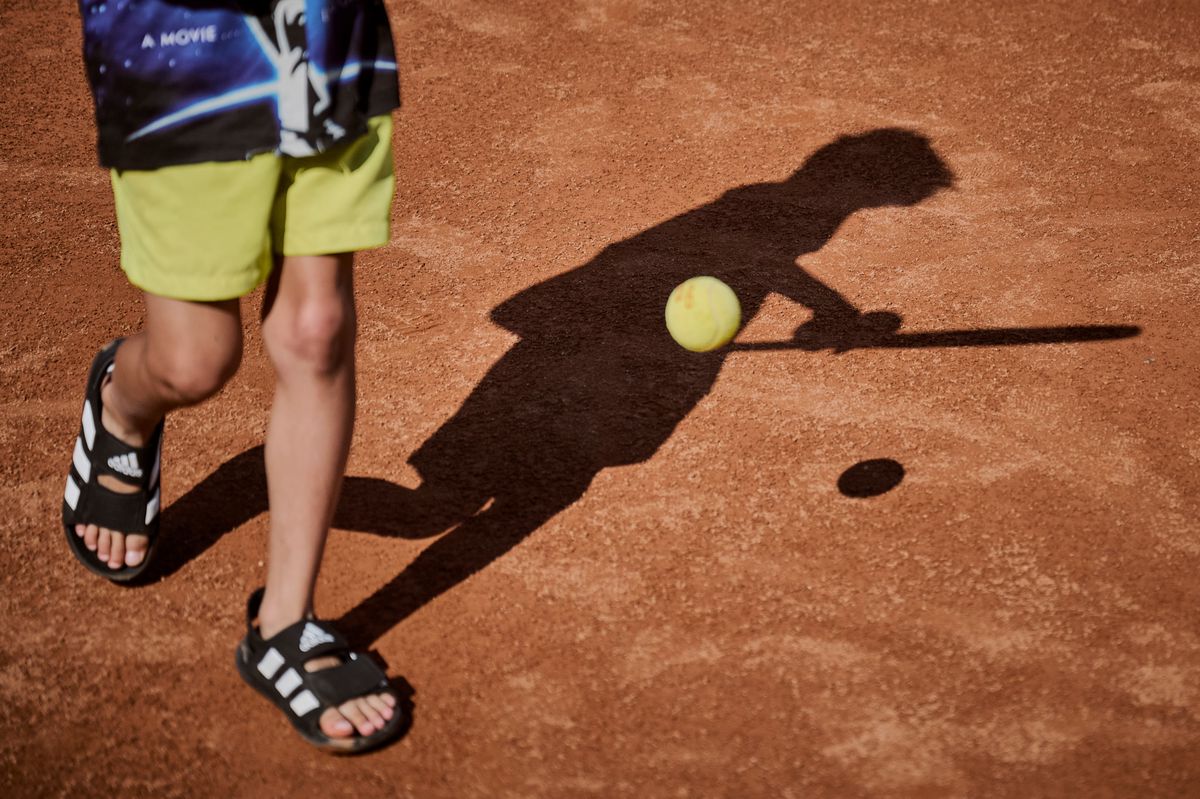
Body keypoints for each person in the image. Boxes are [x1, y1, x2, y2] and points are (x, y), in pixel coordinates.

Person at [65, 0, 405, 752]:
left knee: (317, 330)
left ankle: (286, 622)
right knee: (196, 359)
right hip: (183, 44)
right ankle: (125, 407)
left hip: (321, 29)